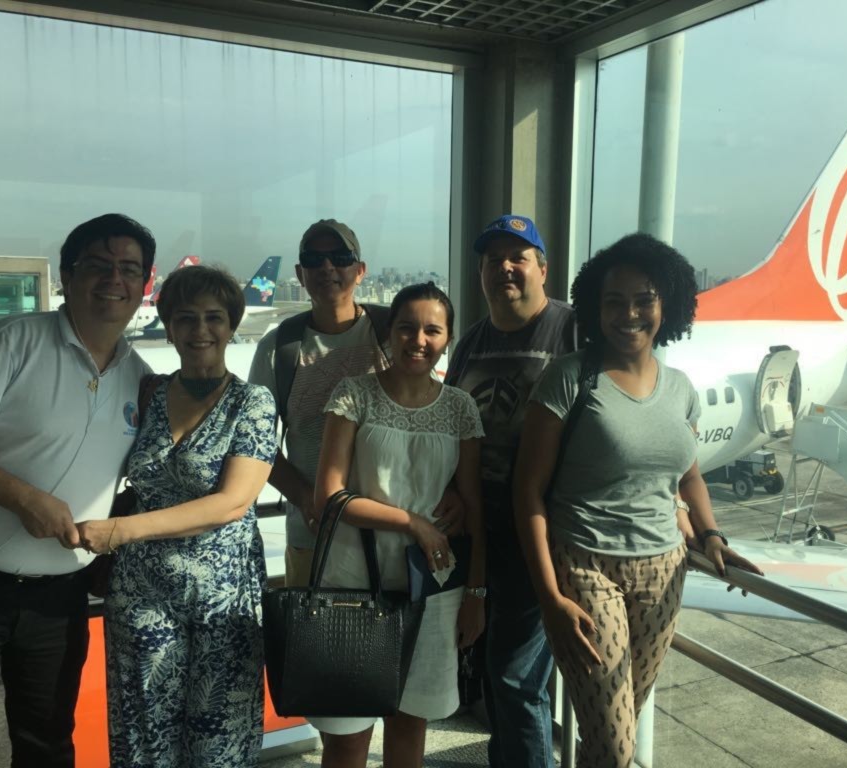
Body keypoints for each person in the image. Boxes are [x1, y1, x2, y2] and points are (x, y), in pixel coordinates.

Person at [513, 233, 763, 768]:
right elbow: (527, 491)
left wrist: (712, 535)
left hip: (664, 573)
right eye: (614, 301)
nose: (629, 314)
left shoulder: (681, 388)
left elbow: (688, 476)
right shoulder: (569, 379)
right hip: (586, 567)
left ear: (666, 305)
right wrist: (550, 598)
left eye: (643, 300)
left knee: (610, 734)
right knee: (616, 748)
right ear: (594, 308)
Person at [0, 213, 154, 768]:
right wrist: (23, 497)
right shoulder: (11, 342)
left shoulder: (142, 377)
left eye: (129, 269)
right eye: (98, 265)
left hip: (60, 596)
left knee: (48, 745)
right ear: (67, 276)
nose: (114, 279)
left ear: (144, 284)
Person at [77, 266, 277, 767]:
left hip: (222, 598)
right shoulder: (148, 393)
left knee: (218, 741)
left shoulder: (251, 403)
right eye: (186, 318)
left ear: (231, 326)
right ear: (168, 327)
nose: (200, 330)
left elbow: (232, 503)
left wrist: (120, 530)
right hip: (140, 591)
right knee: (143, 738)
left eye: (214, 317)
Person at [311, 283, 486, 768]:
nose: (419, 340)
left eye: (433, 330)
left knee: (410, 727)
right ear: (389, 333)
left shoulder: (459, 407)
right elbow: (329, 497)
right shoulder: (355, 394)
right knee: (347, 737)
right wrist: (414, 524)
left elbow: (474, 508)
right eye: (407, 328)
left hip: (431, 588)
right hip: (353, 582)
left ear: (448, 338)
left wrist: (477, 593)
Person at [249, 219, 460, 588]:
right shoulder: (279, 349)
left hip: (394, 535)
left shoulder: (391, 333)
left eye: (340, 257)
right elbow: (255, 441)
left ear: (360, 271)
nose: (327, 267)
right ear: (299, 273)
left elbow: (432, 412)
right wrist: (306, 497)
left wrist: (452, 487)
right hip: (314, 534)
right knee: (318, 627)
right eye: (314, 259)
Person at [445, 214, 576, 768]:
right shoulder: (470, 343)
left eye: (517, 257)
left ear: (543, 269)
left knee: (515, 676)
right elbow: (452, 425)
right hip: (481, 530)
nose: (504, 267)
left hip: (541, 530)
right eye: (492, 259)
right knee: (495, 672)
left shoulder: (572, 332)